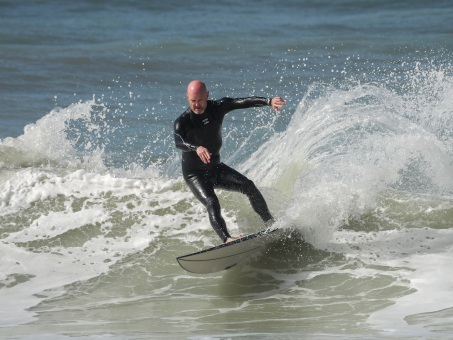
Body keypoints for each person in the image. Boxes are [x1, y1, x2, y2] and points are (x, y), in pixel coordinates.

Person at [174, 80, 286, 243]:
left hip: (215, 168)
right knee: (212, 201)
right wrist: (196, 147)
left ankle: (271, 223)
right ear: (187, 97)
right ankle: (227, 239)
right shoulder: (182, 122)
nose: (197, 105)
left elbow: (242, 102)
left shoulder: (218, 107)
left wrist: (268, 101)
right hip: (195, 174)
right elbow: (178, 141)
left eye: (200, 100)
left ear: (207, 95)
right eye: (193, 101)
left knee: (249, 186)